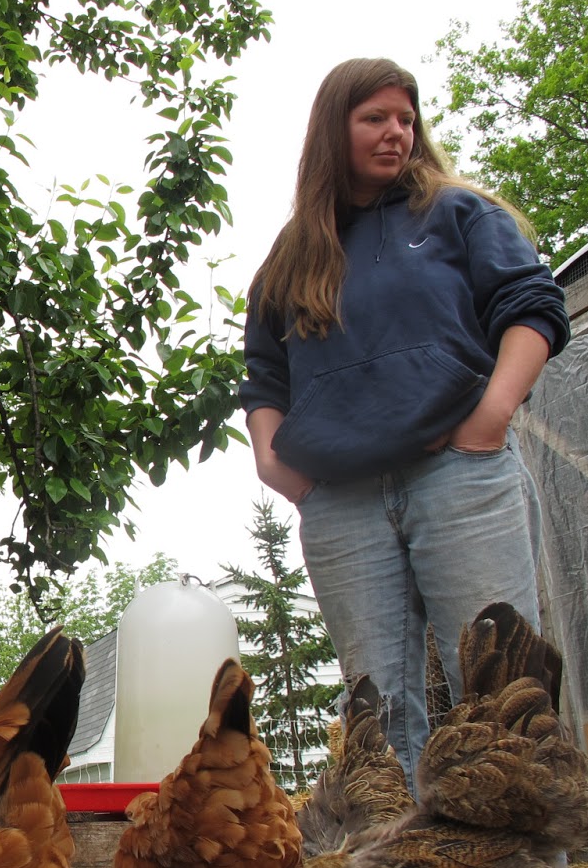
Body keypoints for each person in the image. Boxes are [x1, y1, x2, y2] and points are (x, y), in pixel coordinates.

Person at [239, 57, 570, 790]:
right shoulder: (290, 260)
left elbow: (534, 308)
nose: (397, 132)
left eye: (406, 118)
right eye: (375, 119)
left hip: (460, 474)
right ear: (335, 129)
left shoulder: (458, 214)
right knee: (377, 718)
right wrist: (275, 464)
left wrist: (489, 418)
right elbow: (263, 376)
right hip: (342, 501)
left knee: (500, 692)